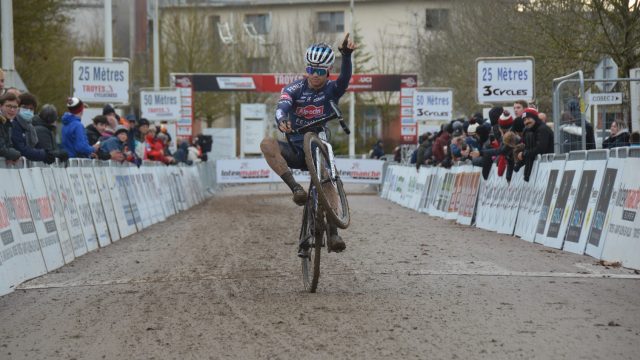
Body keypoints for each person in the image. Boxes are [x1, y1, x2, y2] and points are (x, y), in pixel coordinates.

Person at [260, 33, 356, 256]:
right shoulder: (293, 89)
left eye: (320, 71)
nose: (314, 75)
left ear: (327, 73)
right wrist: (281, 120)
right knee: (266, 143)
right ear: (306, 69)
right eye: (311, 70)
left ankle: (333, 232)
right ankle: (295, 189)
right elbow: (282, 106)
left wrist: (347, 56)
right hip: (295, 147)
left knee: (327, 179)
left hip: (318, 145)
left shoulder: (332, 90)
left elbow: (345, 79)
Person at [517, 108, 554, 181]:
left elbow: (540, 148)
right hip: (540, 169)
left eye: (528, 118)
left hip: (547, 168)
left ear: (534, 117)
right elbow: (528, 148)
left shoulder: (542, 129)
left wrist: (524, 154)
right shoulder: (530, 131)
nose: (526, 122)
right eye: (524, 120)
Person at [0, 93, 21, 161]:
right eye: (9, 106)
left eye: (15, 107)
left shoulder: (8, 124)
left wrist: (13, 155)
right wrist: (17, 155)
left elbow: (9, 146)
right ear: (0, 106)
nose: (12, 110)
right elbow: (2, 149)